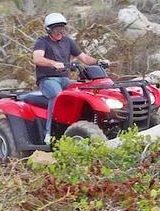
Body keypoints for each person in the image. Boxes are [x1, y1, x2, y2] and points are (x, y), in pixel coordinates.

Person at [32, 12, 105, 143]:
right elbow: (37, 58)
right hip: (47, 79)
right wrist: (53, 63)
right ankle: (49, 133)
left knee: (82, 93)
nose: (59, 31)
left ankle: (80, 126)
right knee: (57, 96)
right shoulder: (42, 42)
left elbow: (84, 58)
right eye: (56, 29)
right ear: (48, 29)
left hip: (65, 80)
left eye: (61, 28)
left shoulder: (68, 41)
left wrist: (99, 61)